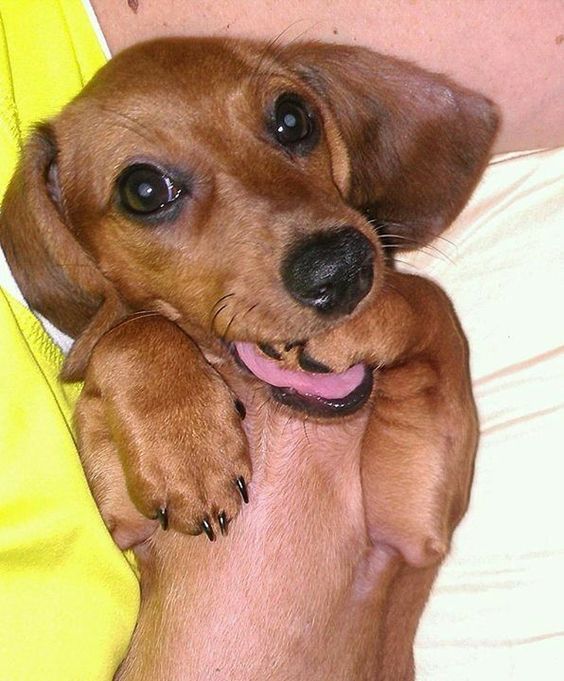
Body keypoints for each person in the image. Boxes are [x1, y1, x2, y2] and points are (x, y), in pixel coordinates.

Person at [0, 1, 562, 679]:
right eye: (150, 192)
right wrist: (132, 352)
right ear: (69, 242)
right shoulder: (147, 406)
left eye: (288, 125)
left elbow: (419, 527)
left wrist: (411, 317)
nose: (281, 209)